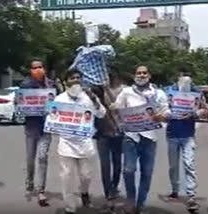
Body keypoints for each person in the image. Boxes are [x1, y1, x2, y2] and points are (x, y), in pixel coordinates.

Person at [111, 65, 170, 214]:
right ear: (134, 76)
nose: (142, 75)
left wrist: (162, 116)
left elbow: (166, 111)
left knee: (147, 173)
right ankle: (131, 199)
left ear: (149, 76)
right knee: (128, 170)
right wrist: (115, 107)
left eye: (144, 73)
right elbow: (118, 105)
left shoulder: (158, 93)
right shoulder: (126, 92)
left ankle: (141, 204)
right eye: (139, 73)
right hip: (130, 136)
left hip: (150, 138)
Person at [54, 70, 106, 214]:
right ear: (66, 82)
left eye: (78, 78)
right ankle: (70, 208)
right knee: (66, 177)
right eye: (72, 78)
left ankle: (84, 193)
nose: (76, 81)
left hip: (85, 143)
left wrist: (95, 100)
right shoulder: (59, 99)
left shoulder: (88, 98)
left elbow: (102, 113)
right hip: (66, 144)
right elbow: (52, 119)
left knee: (86, 176)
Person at [165, 65, 206, 211]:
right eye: (183, 74)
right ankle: (175, 191)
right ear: (178, 75)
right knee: (173, 166)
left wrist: (194, 115)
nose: (186, 77)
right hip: (172, 133)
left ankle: (191, 195)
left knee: (189, 164)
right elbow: (163, 108)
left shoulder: (196, 91)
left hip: (188, 134)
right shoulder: (169, 90)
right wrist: (167, 113)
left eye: (188, 74)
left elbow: (203, 109)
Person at [20, 59, 56, 206]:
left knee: (42, 157)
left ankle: (41, 190)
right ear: (31, 70)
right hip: (31, 127)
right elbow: (20, 103)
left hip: (46, 128)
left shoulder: (51, 85)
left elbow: (55, 105)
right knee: (30, 159)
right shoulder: (25, 85)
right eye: (35, 68)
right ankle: (29, 182)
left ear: (44, 69)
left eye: (40, 67)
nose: (38, 70)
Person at [90, 73, 126, 212]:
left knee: (117, 164)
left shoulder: (122, 90)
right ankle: (108, 194)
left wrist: (107, 89)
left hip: (117, 132)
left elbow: (116, 105)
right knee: (105, 165)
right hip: (102, 133)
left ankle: (114, 187)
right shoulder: (96, 90)